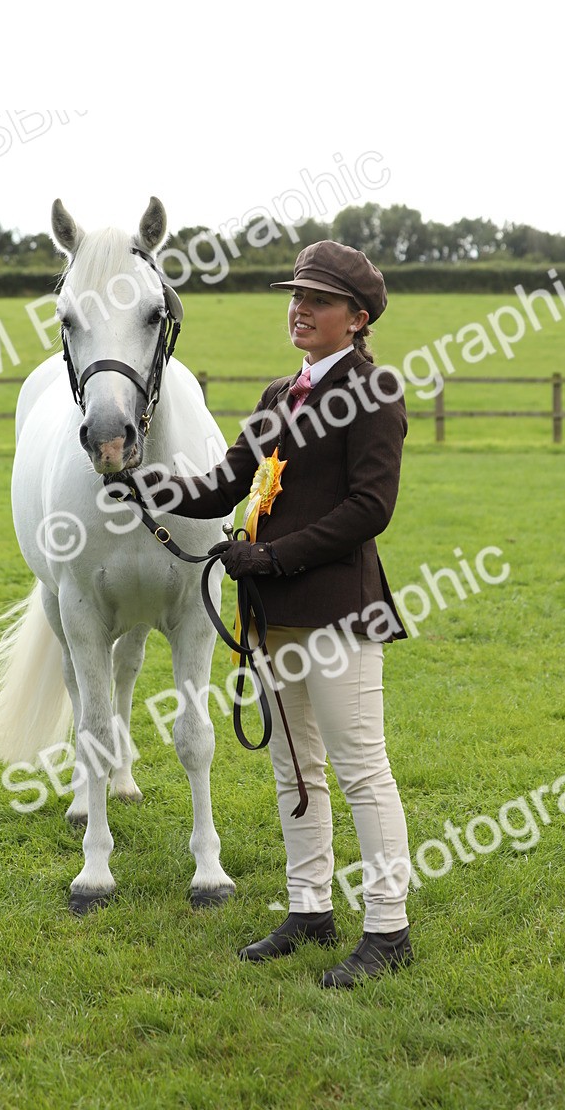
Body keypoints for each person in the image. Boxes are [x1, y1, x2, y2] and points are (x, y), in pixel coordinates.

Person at [136, 240, 413, 989]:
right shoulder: (275, 396)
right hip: (272, 613)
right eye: (296, 296)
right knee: (295, 767)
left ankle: (389, 928)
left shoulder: (376, 390)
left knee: (361, 771)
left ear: (356, 319)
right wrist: (149, 483)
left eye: (318, 300)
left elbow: (370, 508)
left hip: (337, 613)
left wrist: (275, 557)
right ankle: (309, 909)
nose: (300, 308)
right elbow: (229, 482)